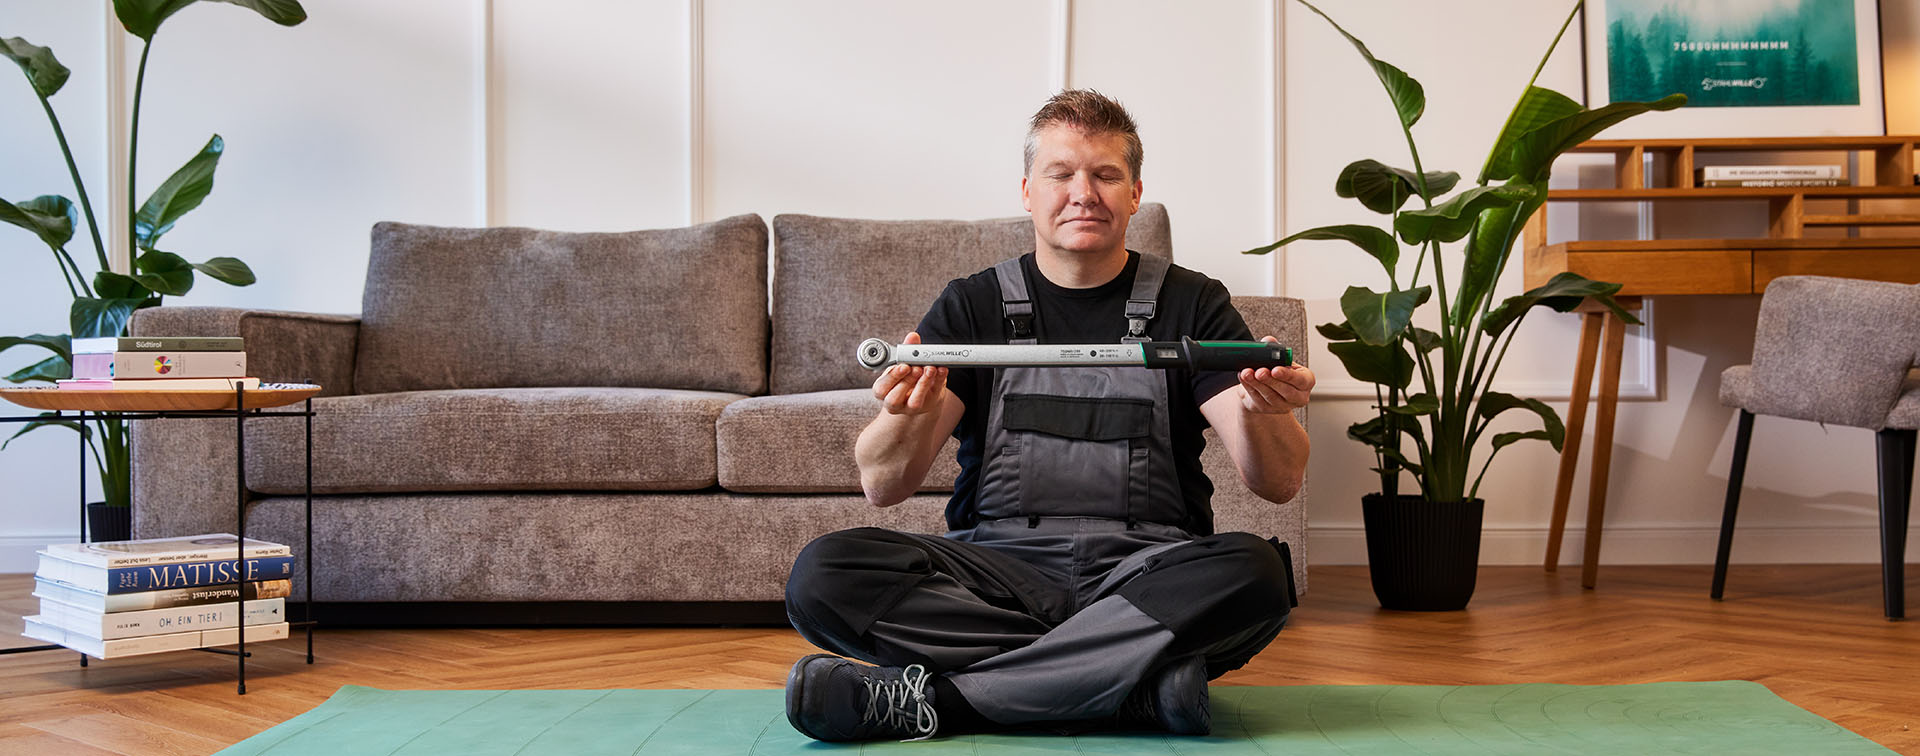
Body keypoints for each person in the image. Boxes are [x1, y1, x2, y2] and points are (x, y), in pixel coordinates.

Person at [782, 89, 1315, 742]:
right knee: (824, 574)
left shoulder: (1192, 304)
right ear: (1029, 191)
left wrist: (1267, 412)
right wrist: (902, 414)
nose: (1083, 192)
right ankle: (1129, 688)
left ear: (1135, 192)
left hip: (1145, 571)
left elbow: (1279, 481)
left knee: (1258, 574)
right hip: (999, 574)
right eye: (1062, 174)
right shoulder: (973, 305)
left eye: (1105, 174)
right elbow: (883, 484)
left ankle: (942, 702)